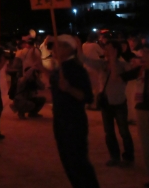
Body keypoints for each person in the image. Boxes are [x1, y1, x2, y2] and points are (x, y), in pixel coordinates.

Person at [50, 35, 100, 188]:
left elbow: (87, 97)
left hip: (73, 121)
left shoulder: (76, 69)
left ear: (68, 48)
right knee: (68, 162)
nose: (53, 49)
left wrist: (69, 89)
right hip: (60, 119)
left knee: (77, 162)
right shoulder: (60, 68)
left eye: (57, 46)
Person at [134, 43, 149, 187]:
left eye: (147, 53)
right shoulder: (140, 71)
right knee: (146, 144)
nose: (144, 57)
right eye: (143, 54)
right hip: (142, 108)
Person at [82, 33, 105, 110]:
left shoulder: (83, 45)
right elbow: (102, 53)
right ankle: (94, 104)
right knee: (96, 87)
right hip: (93, 67)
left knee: (88, 86)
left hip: (85, 67)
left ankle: (87, 103)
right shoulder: (94, 45)